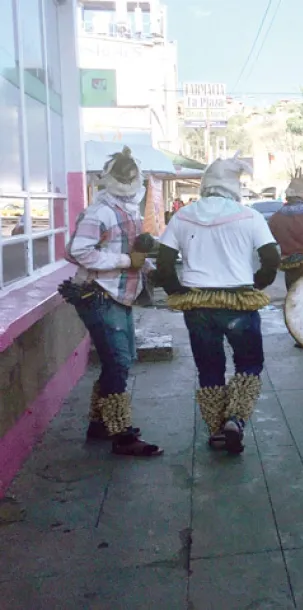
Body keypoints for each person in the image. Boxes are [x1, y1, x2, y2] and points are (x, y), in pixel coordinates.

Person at [155, 154, 280, 454]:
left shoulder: (183, 215)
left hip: (198, 304)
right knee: (249, 363)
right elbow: (272, 257)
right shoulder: (249, 216)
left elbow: (164, 261)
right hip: (238, 301)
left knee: (209, 366)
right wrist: (256, 284)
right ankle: (235, 419)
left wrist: (178, 291)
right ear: (234, 185)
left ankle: (215, 430)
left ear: (205, 185)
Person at [60, 146, 162, 457]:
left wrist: (145, 264)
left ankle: (100, 423)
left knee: (119, 360)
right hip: (100, 294)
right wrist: (126, 259)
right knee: (119, 361)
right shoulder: (101, 211)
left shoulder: (126, 208)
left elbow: (128, 255)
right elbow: (76, 251)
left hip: (117, 294)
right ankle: (120, 434)